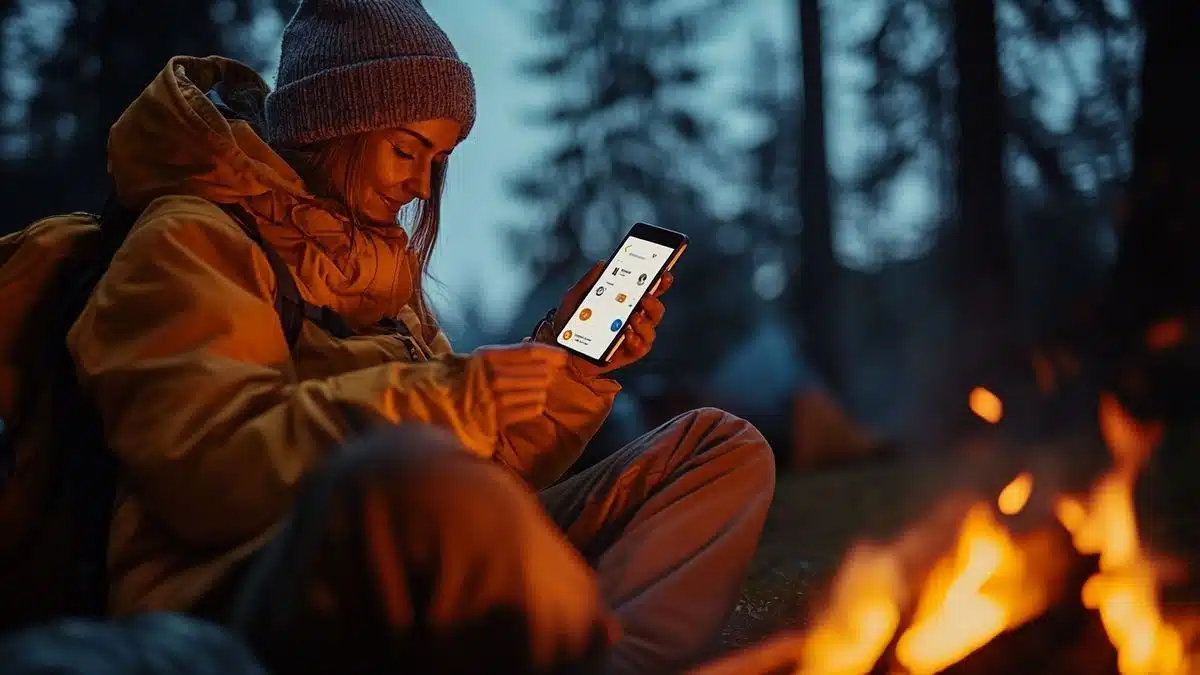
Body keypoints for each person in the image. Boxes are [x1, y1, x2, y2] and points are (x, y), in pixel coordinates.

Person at [63, 1, 776, 672]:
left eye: (437, 160)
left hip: (427, 538)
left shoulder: (379, 275)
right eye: (408, 150)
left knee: (716, 447)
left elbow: (491, 471)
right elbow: (208, 463)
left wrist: (563, 369)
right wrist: (448, 401)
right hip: (246, 588)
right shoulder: (190, 241)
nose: (420, 184)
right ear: (332, 125)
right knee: (418, 474)